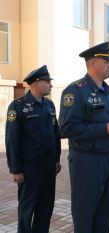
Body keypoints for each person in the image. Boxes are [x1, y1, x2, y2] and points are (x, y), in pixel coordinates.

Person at [59, 42, 109, 233]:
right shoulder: (75, 90)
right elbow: (66, 128)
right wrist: (104, 130)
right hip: (88, 161)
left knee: (105, 211)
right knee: (86, 212)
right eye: (106, 60)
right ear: (92, 63)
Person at [5, 65, 61, 233]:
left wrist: (57, 159)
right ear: (35, 83)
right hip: (29, 168)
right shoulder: (18, 106)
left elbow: (55, 134)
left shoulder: (49, 105)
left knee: (46, 208)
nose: (51, 85)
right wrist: (16, 169)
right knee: (27, 209)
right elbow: (12, 140)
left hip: (49, 166)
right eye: (47, 82)